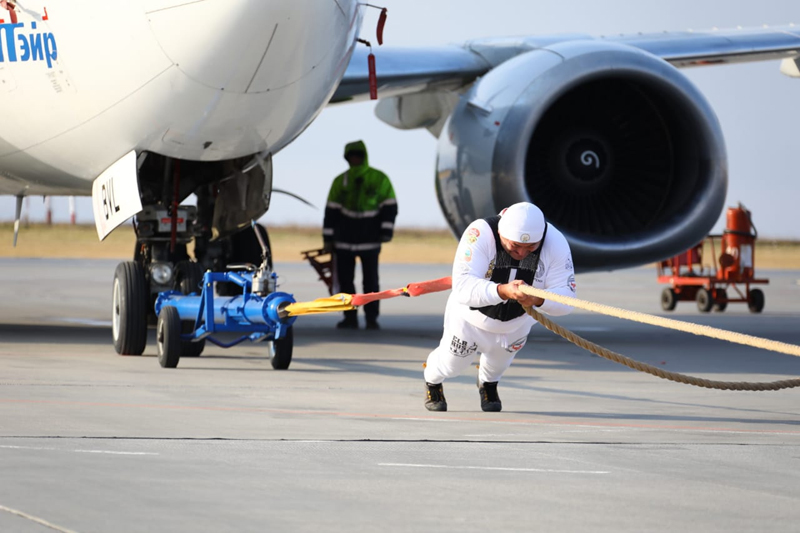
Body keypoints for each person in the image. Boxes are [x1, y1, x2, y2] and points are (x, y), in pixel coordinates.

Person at [423, 202, 576, 412]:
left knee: (499, 364)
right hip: (469, 320)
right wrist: (503, 291)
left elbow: (568, 299)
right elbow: (463, 287)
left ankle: (488, 384)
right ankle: (432, 380)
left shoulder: (555, 241)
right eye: (515, 245)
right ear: (501, 233)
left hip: (517, 323)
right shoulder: (479, 233)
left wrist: (539, 300)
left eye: (531, 247)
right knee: (453, 365)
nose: (522, 252)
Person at [323, 140, 398, 330]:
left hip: (369, 241)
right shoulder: (340, 181)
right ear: (347, 158)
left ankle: (372, 318)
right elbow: (330, 212)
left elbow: (390, 207)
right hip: (344, 242)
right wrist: (328, 239)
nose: (354, 159)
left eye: (357, 155)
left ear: (363, 157)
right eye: (351, 156)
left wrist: (386, 231)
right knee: (346, 282)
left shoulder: (379, 179)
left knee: (371, 282)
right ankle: (350, 318)